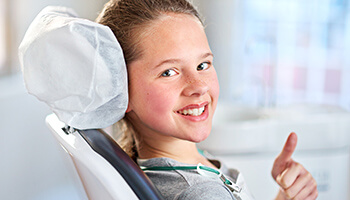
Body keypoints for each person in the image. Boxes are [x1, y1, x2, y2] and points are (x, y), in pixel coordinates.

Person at [96, 0, 318, 199]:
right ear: (120, 91)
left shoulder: (177, 166)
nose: (199, 86)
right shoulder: (200, 192)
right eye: (169, 72)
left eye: (203, 65)